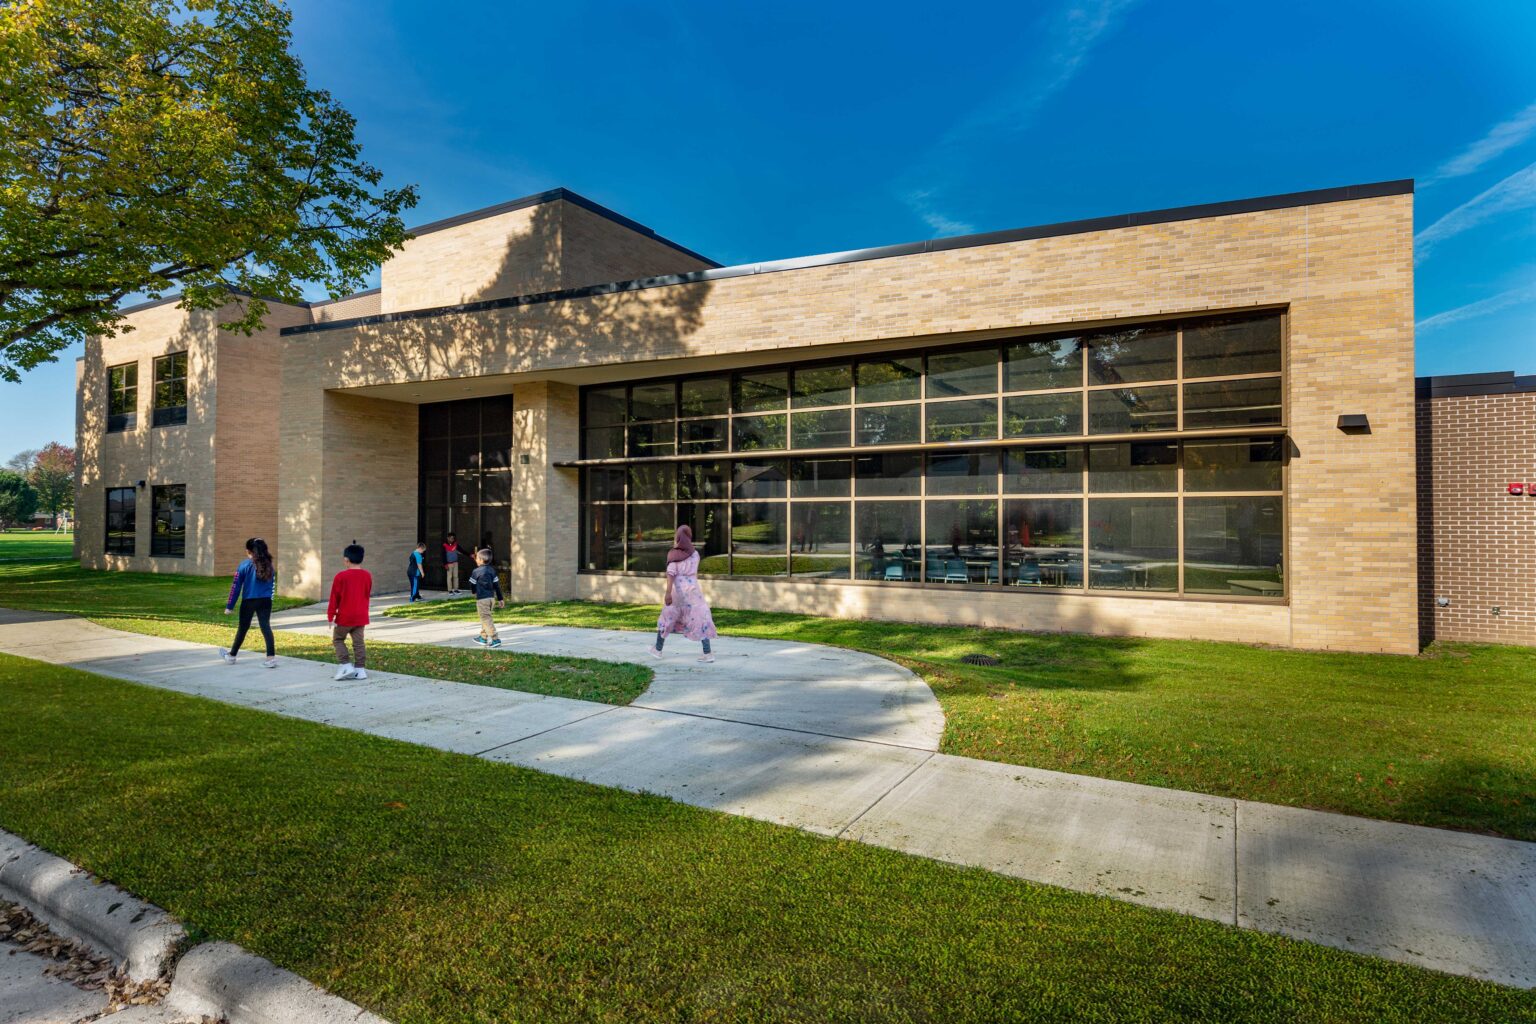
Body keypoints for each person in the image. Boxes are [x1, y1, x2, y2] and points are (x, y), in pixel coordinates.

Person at [651, 524, 717, 663]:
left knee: (667, 616)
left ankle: (658, 649)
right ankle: (708, 653)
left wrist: (668, 593)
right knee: (701, 616)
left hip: (678, 591)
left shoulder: (673, 555)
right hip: (693, 591)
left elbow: (671, 575)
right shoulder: (695, 554)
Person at [220, 538, 277, 668]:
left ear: (249, 551)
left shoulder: (244, 565)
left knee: (243, 628)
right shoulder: (270, 565)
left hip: (249, 602)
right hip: (266, 601)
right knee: (266, 627)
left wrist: (230, 606)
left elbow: (236, 587)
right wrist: (270, 599)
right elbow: (272, 585)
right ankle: (271, 658)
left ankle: (232, 656)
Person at [327, 543, 372, 680]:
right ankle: (360, 669)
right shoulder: (367, 575)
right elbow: (366, 594)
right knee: (359, 643)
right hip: (361, 616)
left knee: (338, 639)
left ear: (346, 560)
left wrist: (330, 616)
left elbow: (334, 598)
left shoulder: (340, 576)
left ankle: (345, 664)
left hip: (345, 616)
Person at [468, 548, 504, 648]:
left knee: (486, 618)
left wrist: (474, 592)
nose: (476, 560)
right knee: (486, 618)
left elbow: (472, 584)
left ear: (481, 560)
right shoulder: (492, 570)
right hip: (491, 599)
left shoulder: (476, 571)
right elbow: (497, 586)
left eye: (477, 558)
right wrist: (501, 599)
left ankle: (495, 639)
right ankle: (483, 638)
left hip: (482, 599)